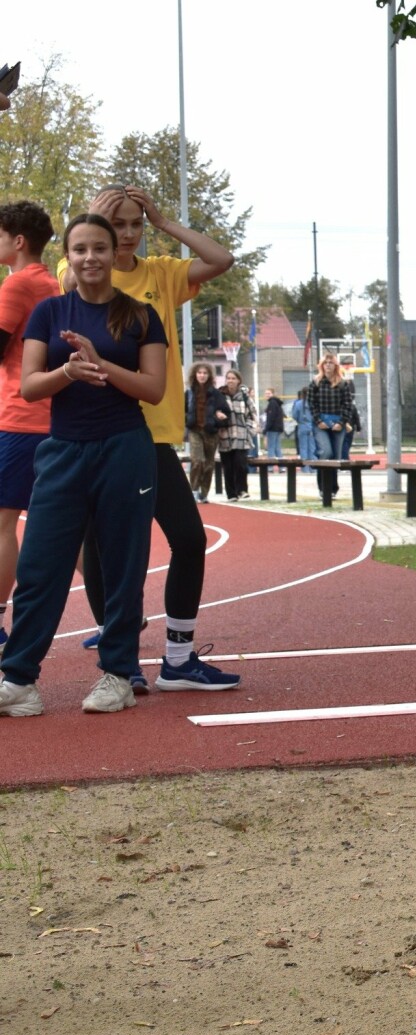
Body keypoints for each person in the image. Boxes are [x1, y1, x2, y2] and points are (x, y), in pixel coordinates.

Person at [61, 185, 240, 693]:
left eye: (135, 225)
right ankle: (120, 662)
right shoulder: (79, 271)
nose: (126, 235)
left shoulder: (160, 272)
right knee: (102, 546)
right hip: (99, 428)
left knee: (188, 539)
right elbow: (70, 278)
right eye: (116, 225)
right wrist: (94, 218)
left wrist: (164, 222)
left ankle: (179, 658)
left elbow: (220, 258)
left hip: (154, 433)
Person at [0, 213, 166, 716]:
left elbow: (153, 390)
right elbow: (29, 385)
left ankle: (117, 674)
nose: (89, 258)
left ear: (115, 254)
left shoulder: (140, 315)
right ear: (67, 256)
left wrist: (101, 363)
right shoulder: (49, 313)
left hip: (124, 449)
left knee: (121, 565)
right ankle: (19, 681)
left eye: (99, 248)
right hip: (62, 450)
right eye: (80, 250)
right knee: (39, 567)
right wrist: (68, 371)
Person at [0, 201, 61, 648]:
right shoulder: (51, 283)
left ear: (17, 240)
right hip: (51, 419)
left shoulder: (18, 286)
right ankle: (111, 609)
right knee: (67, 524)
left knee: (2, 524)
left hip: (19, 419)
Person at [307, 354, 355, 499]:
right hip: (321, 422)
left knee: (335, 457)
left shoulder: (343, 383)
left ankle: (333, 488)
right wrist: (317, 421)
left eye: (331, 363)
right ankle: (323, 487)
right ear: (321, 365)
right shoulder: (316, 383)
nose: (328, 365)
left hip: (337, 422)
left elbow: (347, 404)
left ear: (336, 366)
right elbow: (311, 404)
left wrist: (341, 423)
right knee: (325, 453)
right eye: (325, 363)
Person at [183, 363, 228, 503]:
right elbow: (182, 410)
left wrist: (219, 418)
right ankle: (193, 490)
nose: (202, 375)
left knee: (208, 464)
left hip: (211, 431)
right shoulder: (189, 393)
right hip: (194, 430)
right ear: (194, 375)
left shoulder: (216, 394)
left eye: (205, 373)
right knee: (198, 461)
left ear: (209, 376)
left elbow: (225, 411)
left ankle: (204, 493)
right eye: (199, 373)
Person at [217, 369, 254, 500]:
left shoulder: (244, 396)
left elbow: (252, 414)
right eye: (228, 378)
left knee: (240, 464)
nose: (231, 381)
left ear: (238, 380)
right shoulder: (220, 395)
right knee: (228, 466)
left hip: (241, 435)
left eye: (233, 378)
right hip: (225, 435)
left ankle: (242, 490)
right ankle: (231, 493)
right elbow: (213, 410)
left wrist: (249, 428)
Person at [293, 385, 316, 471]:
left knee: (303, 448)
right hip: (312, 426)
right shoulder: (313, 403)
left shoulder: (298, 404)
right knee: (312, 448)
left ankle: (305, 468)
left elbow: (294, 415)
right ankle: (313, 468)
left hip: (302, 426)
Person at [262, 388, 285, 461]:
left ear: (273, 394)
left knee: (271, 447)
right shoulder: (277, 403)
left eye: (269, 393)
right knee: (277, 447)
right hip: (278, 428)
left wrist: (266, 429)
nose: (267, 395)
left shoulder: (272, 403)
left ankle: (270, 466)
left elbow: (271, 418)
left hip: (273, 428)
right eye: (266, 393)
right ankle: (282, 466)